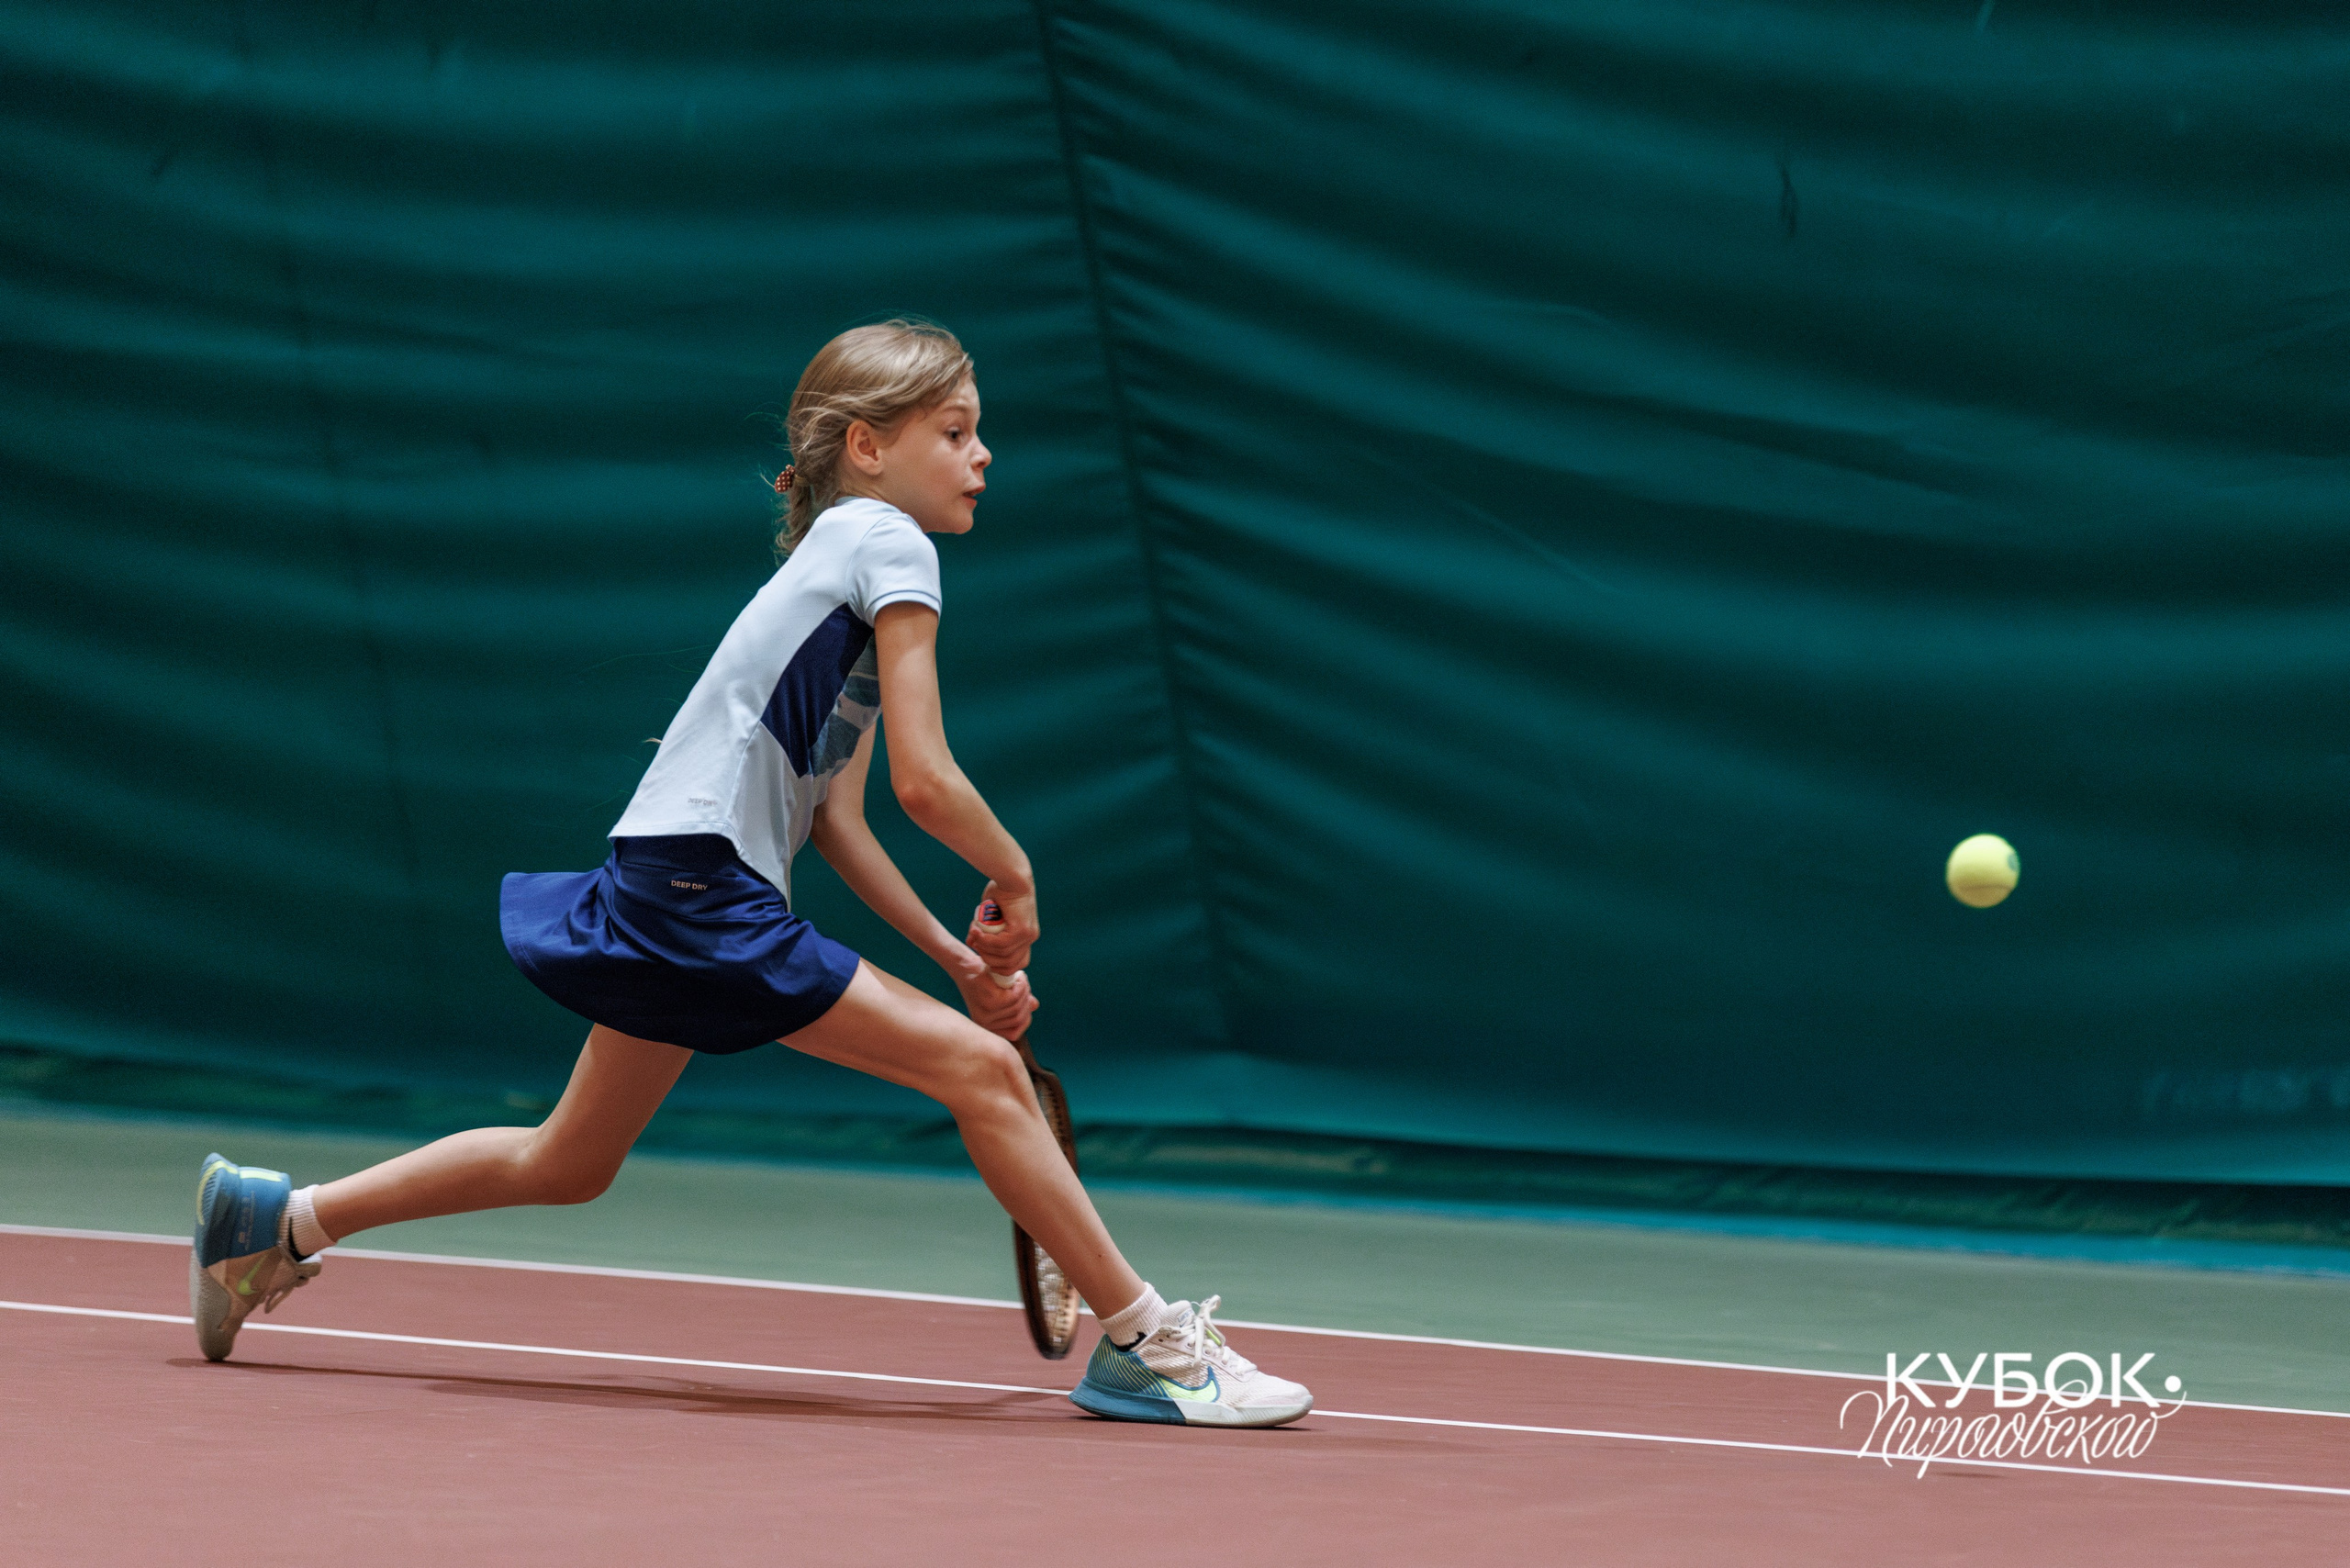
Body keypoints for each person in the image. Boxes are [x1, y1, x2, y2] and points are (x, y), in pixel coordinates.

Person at [188, 320, 1311, 1429]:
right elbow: (929, 783)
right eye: (956, 431)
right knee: (980, 1074)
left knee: (570, 1157)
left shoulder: (841, 578)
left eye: (981, 435)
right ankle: (1146, 1344)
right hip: (699, 889)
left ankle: (275, 1222)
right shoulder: (887, 543)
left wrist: (961, 956)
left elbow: (839, 820)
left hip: (674, 879)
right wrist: (1015, 871)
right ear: (867, 448)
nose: (982, 457)